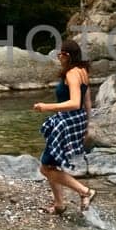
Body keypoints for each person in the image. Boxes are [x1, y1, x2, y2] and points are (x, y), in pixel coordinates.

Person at [34, 38, 95, 214]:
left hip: (68, 122)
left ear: (66, 55)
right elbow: (87, 101)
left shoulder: (72, 74)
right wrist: (87, 126)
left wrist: (46, 107)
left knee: (45, 167)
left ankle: (85, 192)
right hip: (76, 120)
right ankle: (59, 204)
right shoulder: (83, 71)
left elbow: (76, 102)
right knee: (52, 163)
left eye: (60, 54)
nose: (58, 58)